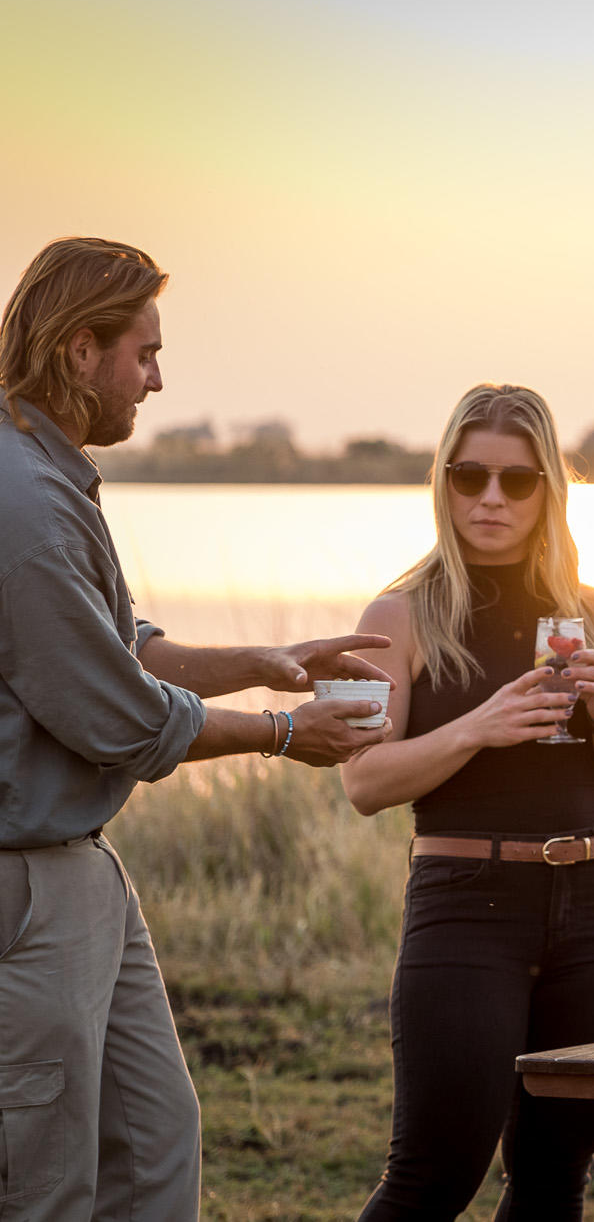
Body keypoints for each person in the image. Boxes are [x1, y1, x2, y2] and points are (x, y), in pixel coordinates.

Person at [0, 236, 391, 1220]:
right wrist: (281, 735)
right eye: (145, 353)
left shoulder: (49, 480)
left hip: (80, 875)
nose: (158, 380)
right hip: (24, 885)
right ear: (78, 351)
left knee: (153, 1142)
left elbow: (122, 648)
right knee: (45, 1182)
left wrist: (268, 663)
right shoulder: (27, 507)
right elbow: (118, 718)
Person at [343, 383, 594, 1221]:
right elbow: (364, 782)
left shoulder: (592, 613)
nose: (489, 499)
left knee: (554, 1180)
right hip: (466, 905)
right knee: (432, 1178)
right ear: (441, 482)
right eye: (468, 476)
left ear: (549, 487)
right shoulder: (399, 614)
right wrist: (480, 726)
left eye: (516, 481)